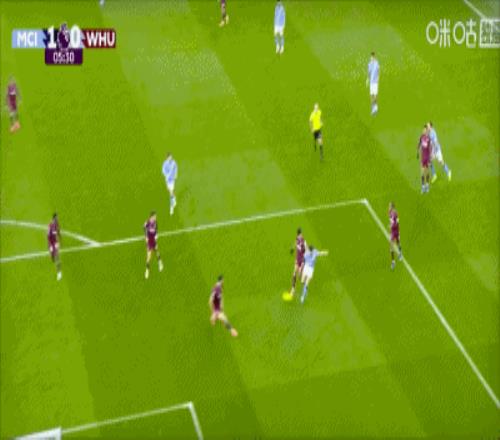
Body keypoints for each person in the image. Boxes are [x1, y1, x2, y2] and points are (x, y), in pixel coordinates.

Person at [144, 211, 163, 279]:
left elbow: (156, 229)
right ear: (151, 217)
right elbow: (144, 229)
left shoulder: (155, 222)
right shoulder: (147, 222)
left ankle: (160, 263)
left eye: (155, 216)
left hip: (154, 240)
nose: (155, 217)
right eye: (154, 216)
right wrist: (146, 237)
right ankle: (147, 270)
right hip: (149, 240)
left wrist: (156, 236)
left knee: (157, 252)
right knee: (149, 256)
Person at [290, 227, 306, 297]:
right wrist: (292, 248)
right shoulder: (297, 239)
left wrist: (303, 262)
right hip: (297, 259)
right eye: (299, 235)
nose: (299, 236)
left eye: (299, 235)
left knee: (299, 276)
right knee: (294, 273)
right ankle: (293, 289)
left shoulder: (303, 241)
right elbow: (295, 243)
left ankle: (305, 282)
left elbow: (304, 251)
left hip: (301, 260)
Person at [47, 213, 62, 281]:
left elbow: (58, 231)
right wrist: (49, 245)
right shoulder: (50, 225)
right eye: (56, 218)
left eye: (57, 218)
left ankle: (59, 273)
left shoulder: (56, 224)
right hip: (51, 242)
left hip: (55, 243)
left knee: (57, 257)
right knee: (52, 257)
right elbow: (48, 236)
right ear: (54, 218)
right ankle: (52, 256)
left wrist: (59, 238)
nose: (57, 219)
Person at [388, 202, 403, 270]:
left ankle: (400, 254)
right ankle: (393, 262)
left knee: (398, 242)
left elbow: (396, 223)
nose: (389, 207)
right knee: (391, 246)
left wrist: (391, 226)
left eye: (390, 206)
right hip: (392, 232)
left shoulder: (395, 214)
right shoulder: (390, 213)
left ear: (392, 207)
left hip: (396, 231)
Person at [417, 125, 431, 193]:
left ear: (427, 131)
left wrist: (430, 159)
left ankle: (427, 186)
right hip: (423, 157)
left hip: (427, 157)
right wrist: (417, 152)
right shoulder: (421, 137)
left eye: (425, 130)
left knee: (427, 172)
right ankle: (423, 187)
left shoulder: (428, 138)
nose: (424, 131)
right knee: (422, 172)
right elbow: (419, 144)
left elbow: (430, 148)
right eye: (423, 130)